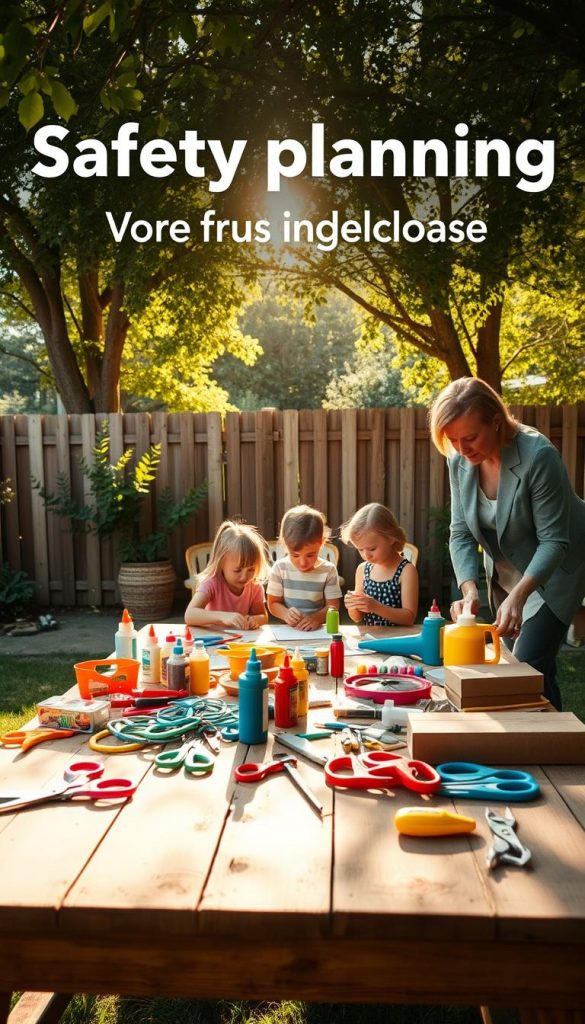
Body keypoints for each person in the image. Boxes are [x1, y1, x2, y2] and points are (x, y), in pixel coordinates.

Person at [429, 376, 585, 709]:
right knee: (527, 673)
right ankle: (552, 744)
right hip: (508, 571)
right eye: (453, 440)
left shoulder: (538, 456)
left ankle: (551, 751)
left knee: (526, 667)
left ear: (496, 422)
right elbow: (460, 531)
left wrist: (518, 596)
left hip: (558, 568)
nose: (461, 449)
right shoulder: (458, 460)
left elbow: (555, 541)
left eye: (469, 437)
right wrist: (469, 589)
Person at [341, 502, 419, 627]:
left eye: (372, 549)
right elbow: (357, 618)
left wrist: (375, 606)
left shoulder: (406, 570)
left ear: (391, 538)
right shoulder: (363, 570)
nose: (366, 555)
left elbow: (409, 618)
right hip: (370, 639)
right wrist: (353, 605)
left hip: (397, 641)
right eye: (360, 550)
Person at [267, 504, 341, 631]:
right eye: (295, 555)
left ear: (322, 542)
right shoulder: (280, 568)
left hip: (317, 630)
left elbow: (333, 606)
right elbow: (273, 603)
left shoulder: (328, 570)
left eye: (310, 555)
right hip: (288, 631)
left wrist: (315, 619)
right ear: (284, 544)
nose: (302, 562)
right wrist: (285, 614)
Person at [185, 520, 269, 630]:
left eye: (251, 570)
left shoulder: (255, 586)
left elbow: (263, 616)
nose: (244, 577)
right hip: (214, 639)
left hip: (241, 641)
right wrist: (223, 616)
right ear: (221, 564)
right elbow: (189, 615)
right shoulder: (212, 584)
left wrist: (255, 620)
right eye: (237, 570)